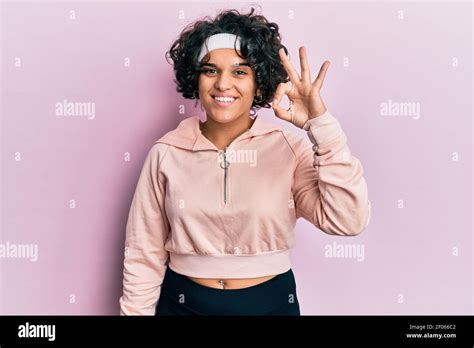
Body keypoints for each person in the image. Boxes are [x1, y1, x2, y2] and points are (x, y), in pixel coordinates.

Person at [119, 7, 371, 316]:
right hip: (182, 305)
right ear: (196, 78)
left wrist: (320, 125)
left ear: (259, 83)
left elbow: (348, 220)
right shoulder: (166, 152)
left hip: (270, 304)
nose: (223, 84)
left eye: (240, 72)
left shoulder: (289, 149)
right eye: (210, 70)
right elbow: (143, 253)